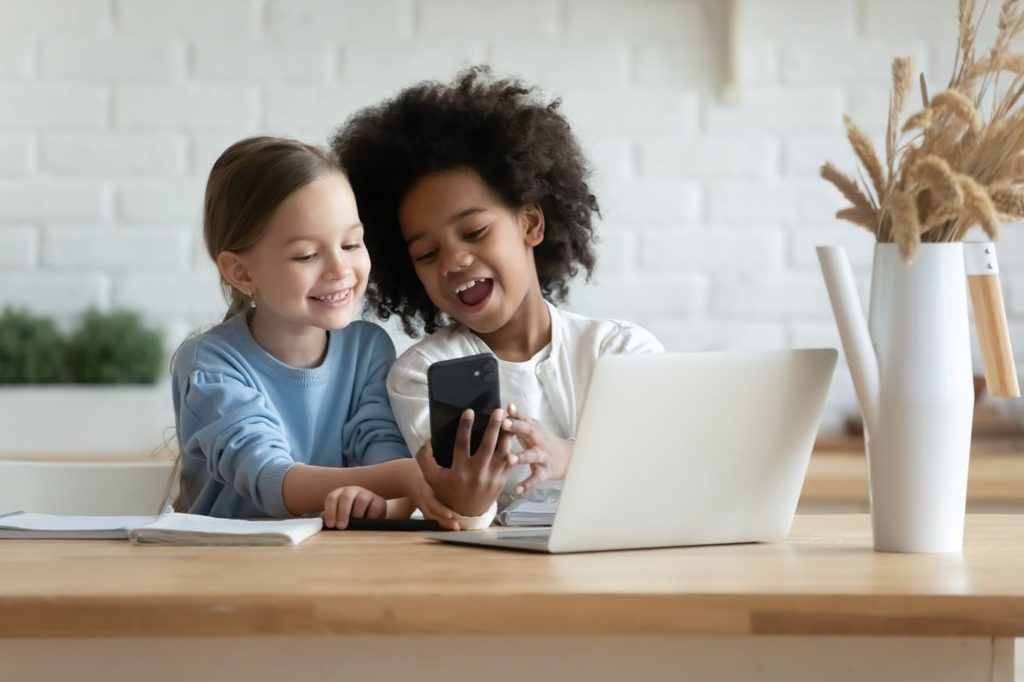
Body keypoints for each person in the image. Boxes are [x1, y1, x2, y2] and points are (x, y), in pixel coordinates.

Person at [331, 68, 664, 526]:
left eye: (474, 232)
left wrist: (568, 457)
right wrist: (465, 501)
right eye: (427, 253)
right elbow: (460, 522)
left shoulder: (624, 350)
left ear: (531, 224)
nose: (453, 261)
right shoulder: (420, 375)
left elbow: (664, 476)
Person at [171, 136, 459, 529]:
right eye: (307, 255)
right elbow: (268, 479)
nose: (340, 270)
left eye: (351, 243)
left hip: (332, 568)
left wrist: (378, 504)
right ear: (241, 272)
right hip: (226, 570)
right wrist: (400, 476)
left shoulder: (366, 349)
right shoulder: (209, 363)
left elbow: (383, 455)